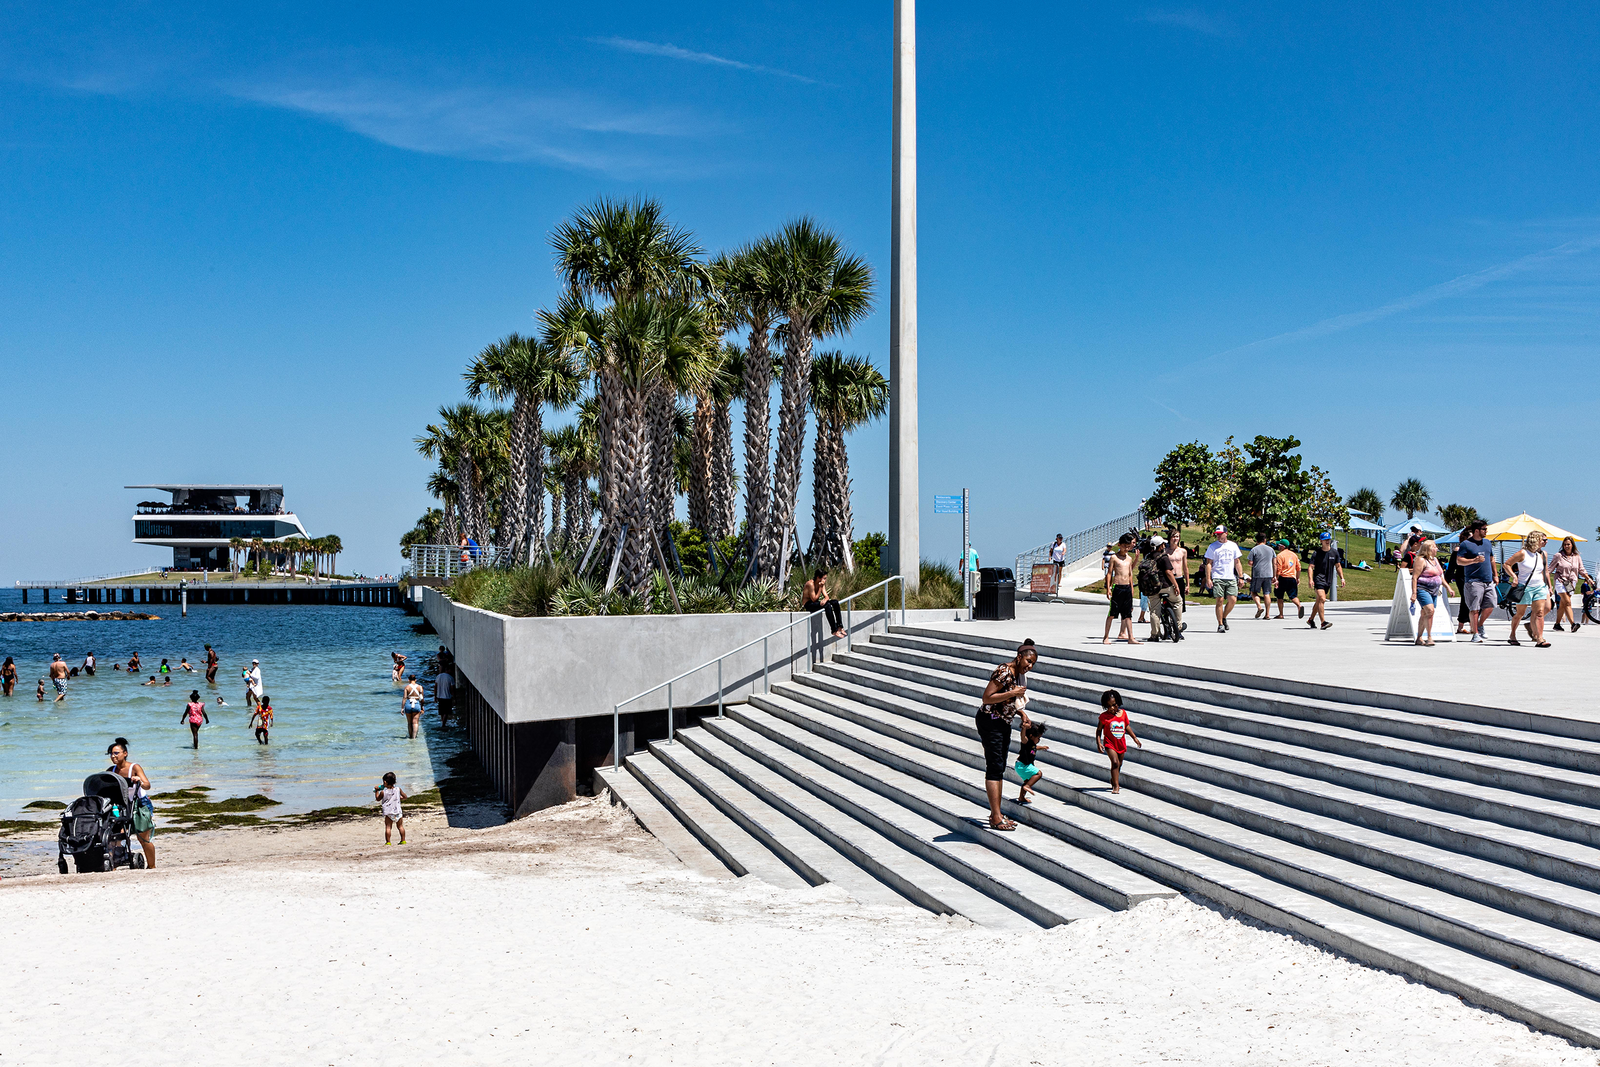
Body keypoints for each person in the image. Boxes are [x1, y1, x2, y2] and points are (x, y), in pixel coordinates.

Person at [976, 639, 1037, 831]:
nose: (1030, 666)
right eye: (1028, 661)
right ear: (1019, 657)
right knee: (994, 767)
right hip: (990, 722)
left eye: (1033, 664)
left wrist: (1022, 713)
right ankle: (995, 817)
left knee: (1000, 766)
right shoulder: (1004, 671)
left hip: (1002, 722)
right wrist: (1013, 693)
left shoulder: (1018, 675)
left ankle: (997, 814)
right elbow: (987, 698)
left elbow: (1008, 702)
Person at [107, 737, 155, 869]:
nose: (113, 756)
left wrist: (138, 779)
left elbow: (147, 785)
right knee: (115, 837)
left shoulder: (134, 767)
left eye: (116, 753)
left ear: (125, 753)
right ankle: (114, 865)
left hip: (140, 803)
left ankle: (152, 867)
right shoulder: (111, 770)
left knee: (143, 838)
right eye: (111, 753)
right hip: (122, 805)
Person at [1504, 531, 1552, 648]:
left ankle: (1539, 638)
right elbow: (1506, 564)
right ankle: (1512, 635)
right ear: (1535, 540)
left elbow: (1543, 571)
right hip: (1525, 587)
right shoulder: (1522, 553)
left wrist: (1548, 586)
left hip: (1539, 586)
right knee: (1520, 613)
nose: (1544, 542)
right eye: (1542, 539)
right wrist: (1514, 577)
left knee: (1539, 613)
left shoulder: (1541, 555)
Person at [1457, 520, 1497, 643]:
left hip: (1488, 580)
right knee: (1474, 608)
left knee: (1491, 605)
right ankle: (1475, 634)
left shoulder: (1487, 543)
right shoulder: (1466, 544)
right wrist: (1474, 560)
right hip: (1473, 581)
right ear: (1476, 531)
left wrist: (1495, 574)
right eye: (1484, 529)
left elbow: (1492, 559)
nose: (1486, 531)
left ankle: (1479, 625)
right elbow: (1459, 561)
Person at [1096, 689, 1142, 794]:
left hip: (1121, 743)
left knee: (1119, 764)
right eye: (1108, 706)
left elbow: (1126, 726)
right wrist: (1099, 743)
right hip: (1109, 743)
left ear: (1118, 703)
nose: (1112, 708)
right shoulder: (1104, 717)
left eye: (1114, 705)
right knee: (1115, 762)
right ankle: (1116, 786)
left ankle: (1113, 779)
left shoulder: (1123, 714)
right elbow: (1098, 730)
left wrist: (1134, 738)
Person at [1202, 525, 1245, 633]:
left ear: (1226, 533)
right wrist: (1208, 578)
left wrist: (1241, 577)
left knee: (1232, 599)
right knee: (1220, 600)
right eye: (1217, 534)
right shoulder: (1212, 546)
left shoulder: (1233, 545)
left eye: (1220, 534)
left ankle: (1224, 617)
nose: (1218, 536)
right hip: (1218, 576)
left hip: (1230, 576)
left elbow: (1237, 562)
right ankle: (1220, 624)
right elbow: (1208, 563)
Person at [1101, 535, 1140, 645]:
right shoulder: (1114, 557)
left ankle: (1131, 637)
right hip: (1117, 587)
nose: (1126, 549)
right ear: (1119, 545)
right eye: (1124, 546)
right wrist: (1108, 588)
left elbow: (1130, 575)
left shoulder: (1129, 558)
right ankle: (1106, 637)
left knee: (1128, 614)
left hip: (1127, 587)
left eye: (1128, 547)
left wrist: (1132, 589)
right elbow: (1109, 573)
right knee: (1112, 614)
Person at [1408, 540, 1446, 646]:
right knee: (1430, 611)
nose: (1436, 549)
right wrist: (1414, 593)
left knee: (1425, 613)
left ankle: (1419, 637)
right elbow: (1414, 577)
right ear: (1428, 549)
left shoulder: (1435, 560)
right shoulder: (1420, 560)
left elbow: (1439, 575)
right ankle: (1429, 637)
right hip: (1422, 589)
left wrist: (1448, 587)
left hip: (1434, 590)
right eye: (1434, 547)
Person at [1551, 537, 1592, 633]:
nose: (1566, 546)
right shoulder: (1558, 556)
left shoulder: (1577, 556)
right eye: (1565, 544)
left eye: (1568, 544)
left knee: (1563, 604)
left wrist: (1588, 579)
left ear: (1572, 545)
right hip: (1560, 581)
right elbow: (1550, 569)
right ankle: (1573, 624)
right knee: (1568, 602)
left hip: (1571, 582)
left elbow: (1581, 570)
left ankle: (1557, 625)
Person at [1307, 532, 1345, 630]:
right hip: (1318, 579)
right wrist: (1311, 579)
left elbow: (1338, 566)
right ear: (1321, 541)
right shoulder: (1316, 553)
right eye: (1325, 540)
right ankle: (1323, 622)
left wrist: (1342, 578)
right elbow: (1311, 567)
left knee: (1319, 601)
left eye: (1328, 539)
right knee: (1322, 599)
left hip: (1328, 581)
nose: (1327, 541)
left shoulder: (1334, 552)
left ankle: (1311, 619)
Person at [802, 569, 847, 639]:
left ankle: (840, 626)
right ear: (818, 578)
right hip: (808, 604)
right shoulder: (810, 584)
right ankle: (834, 630)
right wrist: (820, 587)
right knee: (827, 605)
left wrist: (825, 599)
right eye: (824, 578)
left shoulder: (822, 584)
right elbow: (814, 599)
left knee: (835, 602)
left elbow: (826, 596)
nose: (825, 580)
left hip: (815, 602)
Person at [1014, 720, 1049, 804]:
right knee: (1038, 774)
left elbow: (1035, 748)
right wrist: (1024, 729)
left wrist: (1043, 747)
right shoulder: (1026, 742)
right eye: (1038, 738)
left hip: (1021, 765)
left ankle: (1021, 797)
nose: (1039, 740)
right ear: (1031, 736)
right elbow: (1022, 737)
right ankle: (1028, 786)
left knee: (1027, 780)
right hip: (1022, 765)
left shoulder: (1032, 745)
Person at [1248, 535, 1277, 619]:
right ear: (1265, 539)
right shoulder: (1271, 549)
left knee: (1254, 592)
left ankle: (1259, 607)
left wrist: (1256, 564)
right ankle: (1267, 614)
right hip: (1269, 573)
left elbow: (1250, 562)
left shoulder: (1254, 549)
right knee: (1266, 593)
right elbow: (1275, 563)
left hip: (1257, 573)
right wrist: (1274, 575)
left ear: (1256, 540)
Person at [1273, 540, 1303, 619]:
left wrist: (1276, 579)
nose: (1278, 547)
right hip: (1292, 578)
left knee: (1279, 597)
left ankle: (1281, 614)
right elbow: (1299, 568)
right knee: (1293, 596)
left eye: (1279, 545)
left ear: (1283, 546)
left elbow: (1279, 569)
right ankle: (1299, 606)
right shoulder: (1294, 555)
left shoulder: (1280, 556)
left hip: (1283, 578)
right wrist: (1297, 578)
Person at [376, 772, 407, 844]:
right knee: (400, 826)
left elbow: (378, 799)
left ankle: (388, 842)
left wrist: (377, 791)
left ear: (385, 782)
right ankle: (403, 840)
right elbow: (405, 797)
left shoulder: (383, 792)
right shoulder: (398, 789)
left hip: (389, 812)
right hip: (398, 811)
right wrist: (399, 798)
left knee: (388, 827)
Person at [1165, 527, 1189, 609]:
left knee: (1180, 603)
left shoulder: (1183, 551)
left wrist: (1188, 584)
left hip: (1179, 578)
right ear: (1169, 538)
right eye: (1173, 536)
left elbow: (1185, 568)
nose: (1175, 539)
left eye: (1177, 536)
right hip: (1168, 579)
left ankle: (1177, 620)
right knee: (1168, 602)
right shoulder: (1165, 551)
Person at [402, 674, 425, 739]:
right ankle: (414, 737)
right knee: (415, 722)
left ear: (409, 680)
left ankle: (410, 736)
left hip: (408, 704)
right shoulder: (420, 687)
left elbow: (404, 698)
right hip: (417, 704)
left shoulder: (407, 687)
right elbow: (422, 698)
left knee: (409, 722)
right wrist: (422, 707)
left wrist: (402, 708)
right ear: (415, 680)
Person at [434, 662, 455, 727]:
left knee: (441, 711)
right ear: (448, 670)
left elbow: (435, 687)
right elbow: (452, 688)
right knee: (446, 711)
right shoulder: (450, 678)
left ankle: (442, 722)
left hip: (440, 696)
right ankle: (444, 724)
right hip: (447, 696)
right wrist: (454, 697)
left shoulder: (438, 676)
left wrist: (435, 696)